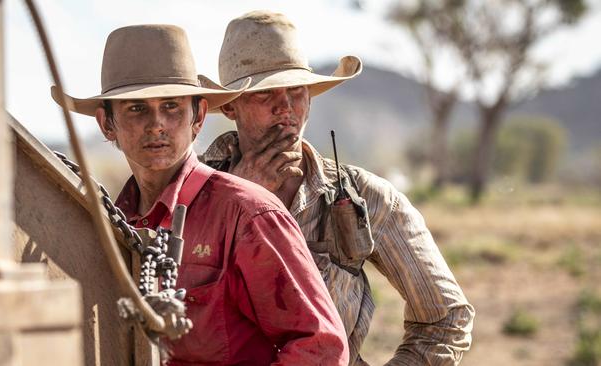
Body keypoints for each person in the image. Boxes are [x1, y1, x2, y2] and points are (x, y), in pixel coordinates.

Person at [52, 24, 348, 365]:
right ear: (107, 124)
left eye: (172, 106)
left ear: (199, 117)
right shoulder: (109, 226)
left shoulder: (249, 215)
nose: (157, 124)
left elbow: (320, 347)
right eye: (136, 108)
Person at [202, 11, 475, 366]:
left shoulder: (366, 196)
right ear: (231, 107)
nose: (285, 107)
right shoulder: (191, 194)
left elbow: (445, 318)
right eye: (265, 92)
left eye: (297, 91)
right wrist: (241, 200)